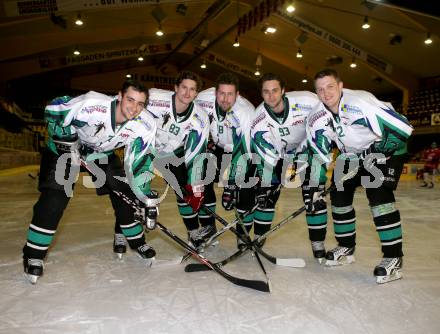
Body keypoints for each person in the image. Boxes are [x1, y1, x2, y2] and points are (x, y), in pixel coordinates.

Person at [23, 79, 159, 284]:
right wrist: (64, 135)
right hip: (64, 150)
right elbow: (54, 108)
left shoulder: (146, 124)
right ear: (120, 96)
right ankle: (33, 254)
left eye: (141, 103)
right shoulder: (93, 105)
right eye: (130, 100)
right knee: (56, 197)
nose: (134, 107)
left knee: (125, 195)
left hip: (100, 154)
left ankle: (137, 242)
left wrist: (145, 196)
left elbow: (141, 162)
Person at [307, 68, 413, 283]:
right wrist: (315, 188)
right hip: (352, 154)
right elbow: (317, 153)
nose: (325, 93)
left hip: (386, 147)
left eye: (330, 87)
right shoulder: (316, 117)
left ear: (340, 86)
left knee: (378, 196)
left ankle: (393, 258)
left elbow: (403, 128)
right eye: (320, 89)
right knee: (338, 196)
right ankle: (346, 246)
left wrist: (376, 153)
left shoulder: (360, 102)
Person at [249, 73, 327, 257]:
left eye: (275, 90)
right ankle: (259, 236)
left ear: (283, 90)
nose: (271, 96)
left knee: (314, 196)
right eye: (266, 92)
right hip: (278, 154)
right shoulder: (258, 119)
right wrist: (266, 182)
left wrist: (318, 178)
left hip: (308, 149)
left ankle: (318, 243)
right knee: (266, 195)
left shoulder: (308, 100)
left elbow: (324, 128)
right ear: (261, 94)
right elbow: (265, 154)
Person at [146, 71, 210, 250]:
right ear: (175, 88)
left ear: (197, 93)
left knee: (184, 192)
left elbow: (196, 153)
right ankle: (121, 233)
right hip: (144, 148)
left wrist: (194, 185)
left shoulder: (201, 118)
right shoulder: (154, 98)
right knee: (132, 191)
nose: (187, 93)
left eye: (192, 89)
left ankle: (193, 231)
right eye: (183, 88)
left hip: (171, 153)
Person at [195, 72, 256, 248]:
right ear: (215, 92)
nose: (225, 98)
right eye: (222, 93)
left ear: (237, 95)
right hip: (217, 147)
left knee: (245, 187)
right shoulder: (202, 99)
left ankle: (243, 232)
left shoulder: (246, 111)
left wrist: (231, 184)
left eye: (230, 94)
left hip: (241, 151)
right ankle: (208, 228)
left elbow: (243, 151)